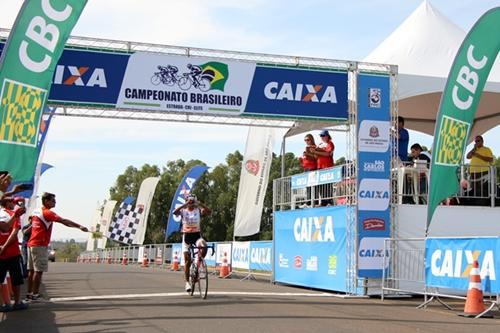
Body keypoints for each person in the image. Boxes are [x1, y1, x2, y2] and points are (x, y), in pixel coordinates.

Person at [26, 192, 88, 301]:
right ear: (46, 201)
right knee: (38, 271)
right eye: (53, 200)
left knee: (31, 271)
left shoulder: (36, 211)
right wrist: (79, 226)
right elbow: (64, 221)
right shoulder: (47, 213)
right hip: (39, 244)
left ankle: (29, 293)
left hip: (31, 244)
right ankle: (35, 295)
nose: (55, 202)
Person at [173, 194, 211, 292]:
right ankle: (187, 283)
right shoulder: (183, 211)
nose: (191, 203)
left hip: (197, 236)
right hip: (186, 237)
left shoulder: (198, 210)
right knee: (187, 261)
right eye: (189, 201)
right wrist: (184, 204)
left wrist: (200, 204)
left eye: (192, 201)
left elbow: (209, 212)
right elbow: (174, 212)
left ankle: (198, 265)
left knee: (204, 246)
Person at [0, 197, 28, 312]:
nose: (15, 204)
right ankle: (16, 302)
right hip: (10, 252)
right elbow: (11, 230)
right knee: (16, 279)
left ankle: (6, 303)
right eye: (13, 202)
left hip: (6, 251)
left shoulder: (13, 213)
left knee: (13, 279)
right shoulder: (11, 214)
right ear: (7, 203)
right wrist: (4, 247)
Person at [466, 135, 493, 204]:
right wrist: (473, 149)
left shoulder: (487, 149)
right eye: (475, 141)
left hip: (483, 172)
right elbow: (467, 157)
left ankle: (483, 203)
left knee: (482, 189)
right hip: (473, 172)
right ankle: (475, 203)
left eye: (478, 141)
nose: (476, 142)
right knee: (474, 189)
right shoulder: (474, 150)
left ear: (482, 141)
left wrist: (478, 155)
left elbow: (490, 159)